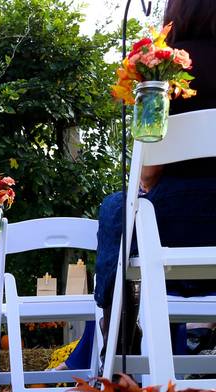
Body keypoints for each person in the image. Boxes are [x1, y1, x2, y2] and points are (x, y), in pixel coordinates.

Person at [94, 0, 216, 341]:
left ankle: (118, 325)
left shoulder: (161, 67)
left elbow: (147, 175)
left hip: (173, 230)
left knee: (117, 206)